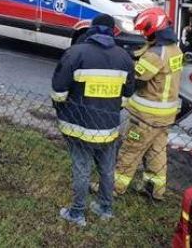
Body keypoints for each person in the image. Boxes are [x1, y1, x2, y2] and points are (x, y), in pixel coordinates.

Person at [51, 14, 135, 226]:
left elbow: (58, 92)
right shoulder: (124, 57)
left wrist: (62, 110)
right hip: (108, 126)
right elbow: (126, 97)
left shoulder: (75, 53)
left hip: (78, 125)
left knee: (82, 167)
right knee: (107, 169)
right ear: (113, 32)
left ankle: (77, 213)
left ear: (91, 29)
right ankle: (105, 208)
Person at [114, 7, 183, 201]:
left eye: (146, 31)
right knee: (157, 152)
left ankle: (114, 187)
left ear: (154, 29)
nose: (145, 35)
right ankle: (154, 190)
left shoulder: (155, 55)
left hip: (145, 117)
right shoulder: (174, 50)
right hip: (166, 115)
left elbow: (137, 79)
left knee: (130, 150)